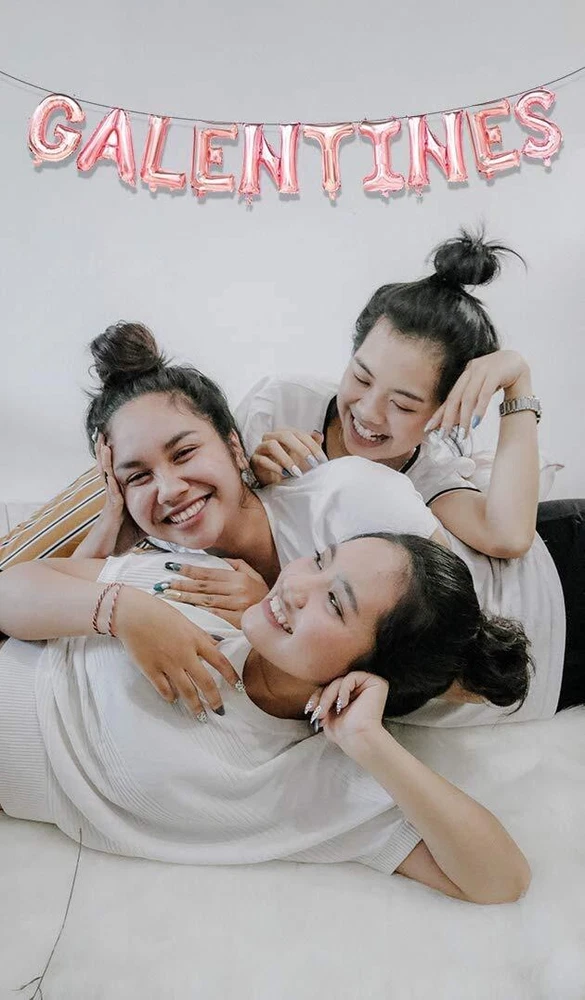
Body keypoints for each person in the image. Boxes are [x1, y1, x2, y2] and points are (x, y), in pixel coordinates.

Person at [0, 534, 530, 903]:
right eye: (319, 559)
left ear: (371, 671)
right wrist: (122, 610)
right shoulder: (201, 589)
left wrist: (371, 742)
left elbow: (501, 879)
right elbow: (11, 589)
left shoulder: (321, 781)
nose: (295, 587)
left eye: (334, 603)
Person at [237, 229, 547, 559]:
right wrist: (256, 481)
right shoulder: (280, 404)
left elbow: (508, 537)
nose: (368, 411)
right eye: (361, 378)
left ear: (447, 411)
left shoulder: (425, 478)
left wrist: (518, 379)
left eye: (402, 405)